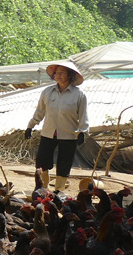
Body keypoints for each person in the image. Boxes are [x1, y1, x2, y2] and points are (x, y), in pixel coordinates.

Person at [25, 60, 88, 192]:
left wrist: (83, 132)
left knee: (64, 164)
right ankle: (42, 188)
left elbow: (83, 116)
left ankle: (59, 191)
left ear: (70, 75)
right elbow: (40, 112)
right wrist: (30, 126)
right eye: (56, 73)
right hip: (48, 133)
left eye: (61, 73)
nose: (57, 75)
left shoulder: (79, 95)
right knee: (42, 161)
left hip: (68, 134)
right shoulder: (47, 92)